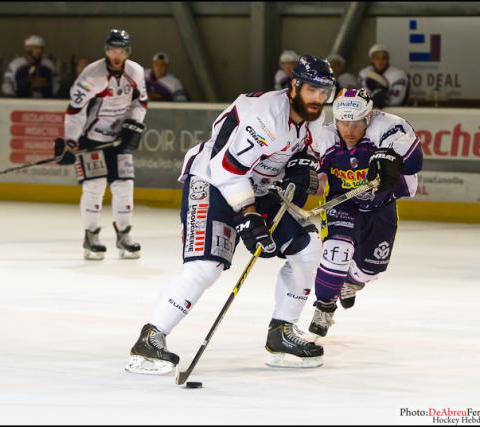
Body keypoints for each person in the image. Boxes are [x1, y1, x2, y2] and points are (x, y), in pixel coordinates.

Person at [125, 55, 337, 375]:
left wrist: (302, 167)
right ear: (294, 86)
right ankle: (151, 336)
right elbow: (227, 170)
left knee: (308, 248)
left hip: (260, 187)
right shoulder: (267, 118)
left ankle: (282, 332)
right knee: (206, 267)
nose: (318, 99)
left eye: (325, 92)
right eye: (312, 90)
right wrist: (249, 217)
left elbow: (307, 151)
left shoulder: (314, 117)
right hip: (212, 181)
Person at [307, 88, 423, 339]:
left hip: (380, 208)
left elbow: (415, 162)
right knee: (338, 249)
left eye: (355, 123)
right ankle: (324, 308)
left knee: (371, 270)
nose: (348, 130)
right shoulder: (326, 137)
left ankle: (350, 280)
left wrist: (389, 158)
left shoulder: (388, 127)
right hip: (343, 204)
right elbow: (306, 165)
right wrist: (305, 176)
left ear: (368, 118)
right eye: (342, 123)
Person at [54, 29, 148, 260]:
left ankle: (124, 236)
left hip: (119, 140)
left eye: (122, 50)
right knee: (94, 187)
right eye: (112, 50)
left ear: (128, 52)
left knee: (124, 186)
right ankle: (91, 236)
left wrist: (133, 125)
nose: (117, 55)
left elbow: (141, 102)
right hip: (91, 139)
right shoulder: (92, 75)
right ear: (106, 51)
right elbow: (75, 110)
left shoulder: (135, 71)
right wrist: (70, 141)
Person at [358, 44, 409, 108]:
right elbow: (361, 98)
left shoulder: (399, 74)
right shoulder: (364, 73)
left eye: (384, 58)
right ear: (372, 60)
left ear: (388, 59)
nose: (380, 61)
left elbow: (396, 100)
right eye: (377, 58)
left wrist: (378, 97)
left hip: (393, 113)